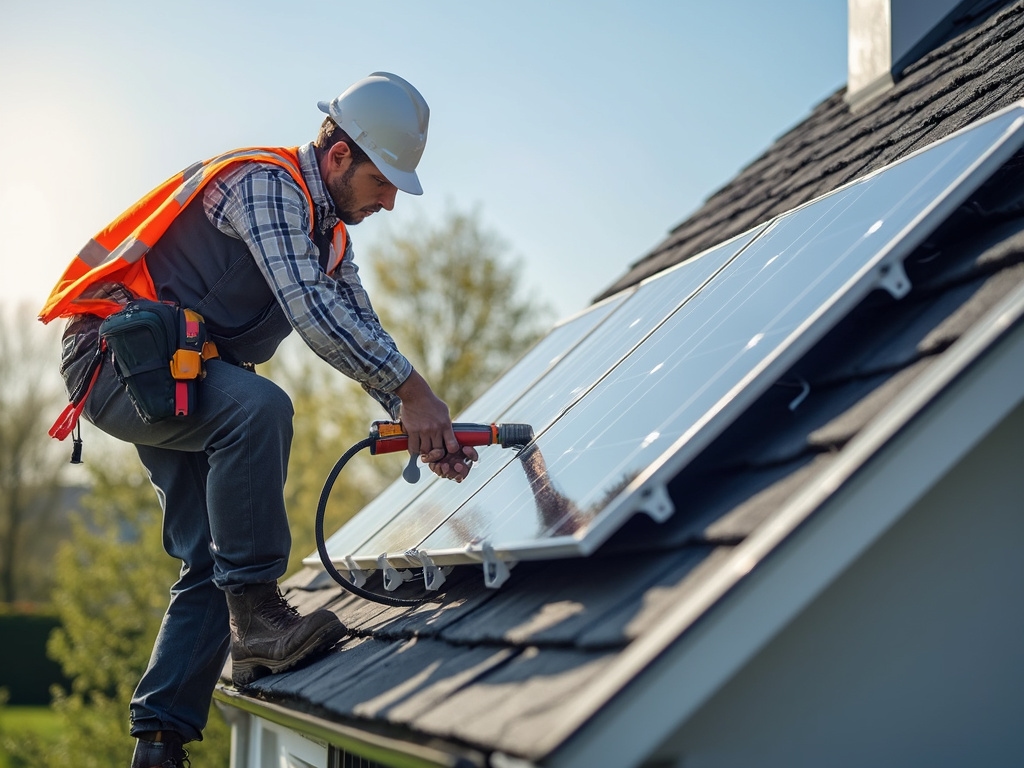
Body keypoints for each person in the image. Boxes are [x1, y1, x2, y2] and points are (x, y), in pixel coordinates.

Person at [39, 72, 478, 768]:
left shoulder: (331, 235)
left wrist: (417, 413)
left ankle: (160, 741)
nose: (391, 201)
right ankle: (260, 622)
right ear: (338, 156)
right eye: (383, 180)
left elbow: (359, 321)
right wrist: (412, 393)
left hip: (178, 377)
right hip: (117, 359)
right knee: (260, 407)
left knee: (214, 556)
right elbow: (313, 311)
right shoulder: (265, 186)